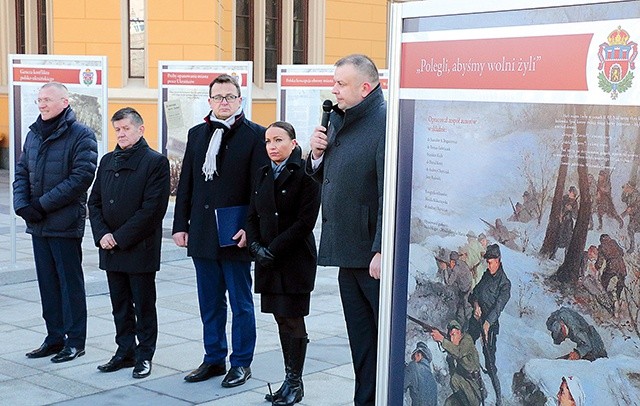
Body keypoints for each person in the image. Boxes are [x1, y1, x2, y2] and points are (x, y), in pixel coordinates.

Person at [172, 74, 269, 387]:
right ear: (210, 100)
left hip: (234, 234)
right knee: (209, 302)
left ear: (240, 100)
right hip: (201, 232)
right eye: (218, 97)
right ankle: (213, 358)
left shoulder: (256, 135)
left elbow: (260, 189)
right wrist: (179, 225)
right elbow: (186, 182)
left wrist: (249, 230)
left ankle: (241, 362)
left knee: (241, 304)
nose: (224, 102)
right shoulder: (197, 134)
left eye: (230, 97)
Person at [306, 54, 386, 406]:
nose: (334, 90)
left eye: (341, 84)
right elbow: (328, 179)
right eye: (334, 82)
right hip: (345, 251)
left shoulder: (384, 123)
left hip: (371, 257)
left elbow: (389, 192)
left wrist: (382, 247)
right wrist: (316, 156)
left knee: (381, 344)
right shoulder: (340, 121)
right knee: (361, 344)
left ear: (365, 88)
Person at [14, 82, 97, 363]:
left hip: (64, 222)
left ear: (65, 101)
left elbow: (81, 178)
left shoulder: (82, 135)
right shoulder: (34, 134)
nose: (42, 104)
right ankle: (54, 337)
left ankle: (75, 341)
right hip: (39, 223)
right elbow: (22, 170)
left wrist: (41, 204)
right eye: (39, 100)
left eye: (47, 99)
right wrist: (21, 204)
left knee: (69, 283)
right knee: (47, 283)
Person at [88, 108, 170, 379]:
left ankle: (144, 355)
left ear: (140, 129)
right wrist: (102, 235)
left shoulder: (155, 162)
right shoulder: (108, 160)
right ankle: (124, 351)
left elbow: (151, 210)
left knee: (143, 305)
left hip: (138, 248)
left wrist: (118, 238)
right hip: (110, 247)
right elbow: (95, 202)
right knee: (119, 304)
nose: (121, 134)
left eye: (126, 128)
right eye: (118, 130)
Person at [245, 121, 321, 405]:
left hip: (293, 259)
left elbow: (305, 222)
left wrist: (272, 250)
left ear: (293, 142)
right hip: (267, 259)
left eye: (278, 140)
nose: (272, 147)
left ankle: (295, 383)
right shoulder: (263, 173)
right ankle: (288, 380)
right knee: (279, 318)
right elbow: (252, 215)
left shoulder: (306, 174)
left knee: (293, 319)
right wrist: (255, 246)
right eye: (268, 141)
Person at [468, 244, 511, 406]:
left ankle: (498, 396)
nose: (489, 265)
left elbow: (498, 307)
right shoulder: (486, 275)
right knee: (467, 343)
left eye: (491, 262)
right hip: (477, 319)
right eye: (487, 262)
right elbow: (475, 293)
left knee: (489, 361)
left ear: (498, 261)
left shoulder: (505, 284)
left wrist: (487, 324)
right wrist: (476, 305)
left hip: (490, 324)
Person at [431, 320, 484, 406]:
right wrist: (450, 360)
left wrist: (441, 339)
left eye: (453, 335)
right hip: (463, 390)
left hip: (474, 390)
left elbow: (458, 352)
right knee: (448, 403)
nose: (452, 339)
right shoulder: (455, 349)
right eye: (450, 336)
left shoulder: (467, 340)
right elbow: (453, 372)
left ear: (459, 333)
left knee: (454, 380)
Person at [595, 233, 627, 315]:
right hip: (621, 265)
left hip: (612, 265)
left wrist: (597, 266)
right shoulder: (614, 242)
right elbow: (621, 252)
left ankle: (605, 296)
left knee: (604, 279)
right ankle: (618, 297)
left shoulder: (601, 247)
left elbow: (600, 260)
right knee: (621, 282)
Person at [444, 251, 473, 330]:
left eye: (451, 261)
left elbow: (449, 282)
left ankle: (467, 330)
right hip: (467, 289)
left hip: (465, 292)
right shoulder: (462, 263)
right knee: (461, 311)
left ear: (453, 261)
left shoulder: (456, 269)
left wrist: (445, 270)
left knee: (466, 312)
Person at [404, 341, 437, 406]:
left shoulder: (413, 366)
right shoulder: (432, 379)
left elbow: (399, 387)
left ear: (419, 354)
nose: (413, 359)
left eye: (414, 357)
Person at [621, 180, 640, 253]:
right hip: (632, 215)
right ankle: (632, 247)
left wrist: (631, 209)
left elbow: (637, 205)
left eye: (626, 186)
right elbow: (623, 200)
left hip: (638, 215)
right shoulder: (629, 194)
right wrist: (624, 192)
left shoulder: (636, 194)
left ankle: (632, 248)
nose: (625, 187)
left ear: (630, 187)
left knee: (631, 228)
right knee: (631, 230)